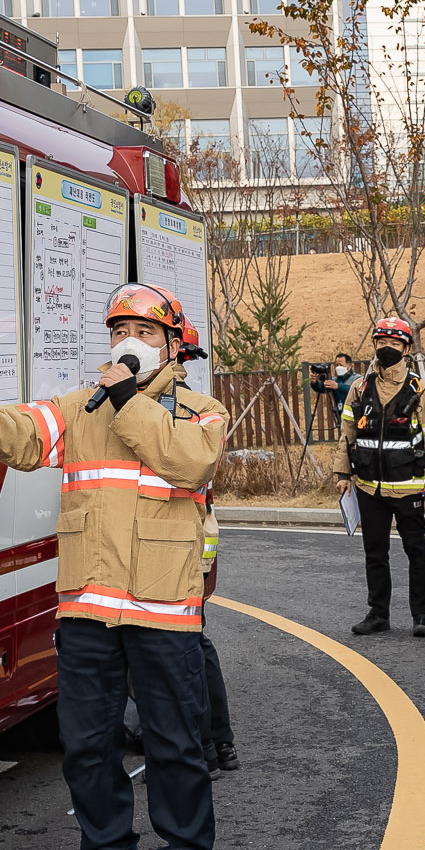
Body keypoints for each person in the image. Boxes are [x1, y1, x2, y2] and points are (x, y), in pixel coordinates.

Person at [0, 283, 224, 850]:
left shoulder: (200, 411)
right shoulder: (79, 408)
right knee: (86, 744)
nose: (126, 344)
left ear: (172, 345)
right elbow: (24, 433)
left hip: (164, 611)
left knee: (173, 743)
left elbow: (188, 465)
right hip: (86, 609)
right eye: (116, 333)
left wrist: (124, 400)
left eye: (141, 332)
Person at [337, 316, 425, 637]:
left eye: (395, 344)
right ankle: (378, 614)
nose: (387, 348)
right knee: (374, 552)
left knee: (416, 550)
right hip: (368, 487)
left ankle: (422, 616)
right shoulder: (360, 388)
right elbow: (347, 433)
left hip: (409, 488)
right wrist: (343, 472)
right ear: (374, 345)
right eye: (382, 343)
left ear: (407, 348)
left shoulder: (420, 390)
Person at [179, 321, 237, 773]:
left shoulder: (192, 413)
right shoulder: (191, 409)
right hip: (196, 540)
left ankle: (206, 747)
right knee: (196, 645)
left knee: (186, 649)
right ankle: (218, 745)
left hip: (183, 544)